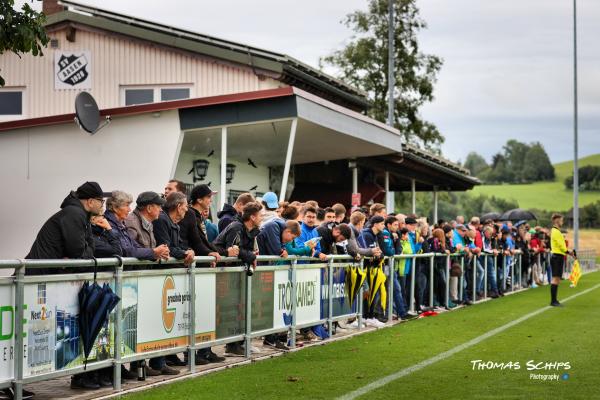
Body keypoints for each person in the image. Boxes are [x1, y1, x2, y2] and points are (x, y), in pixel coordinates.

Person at [26, 181, 109, 275]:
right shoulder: (75, 214)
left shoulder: (80, 214)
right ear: (90, 202)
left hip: (41, 274)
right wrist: (86, 251)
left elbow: (90, 247)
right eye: (101, 201)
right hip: (36, 277)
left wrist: (86, 250)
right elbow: (78, 254)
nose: (102, 205)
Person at [213, 202, 263, 355]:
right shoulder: (236, 227)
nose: (262, 218)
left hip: (237, 274)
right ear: (252, 217)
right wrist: (250, 256)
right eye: (260, 215)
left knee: (240, 307)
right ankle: (232, 345)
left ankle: (239, 343)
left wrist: (251, 255)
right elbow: (233, 250)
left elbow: (243, 250)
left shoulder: (251, 230)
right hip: (225, 274)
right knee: (230, 309)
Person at [105, 191, 169, 262]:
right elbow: (127, 251)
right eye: (127, 205)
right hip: (124, 271)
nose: (129, 209)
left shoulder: (121, 224)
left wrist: (156, 254)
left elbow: (135, 246)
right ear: (115, 207)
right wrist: (153, 252)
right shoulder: (125, 223)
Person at [549, 213, 573, 307]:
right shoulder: (555, 231)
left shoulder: (557, 231)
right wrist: (569, 252)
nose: (562, 222)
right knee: (555, 279)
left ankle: (555, 300)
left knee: (557, 279)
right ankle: (553, 301)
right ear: (556, 221)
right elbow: (561, 246)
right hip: (556, 257)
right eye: (561, 220)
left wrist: (567, 252)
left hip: (559, 256)